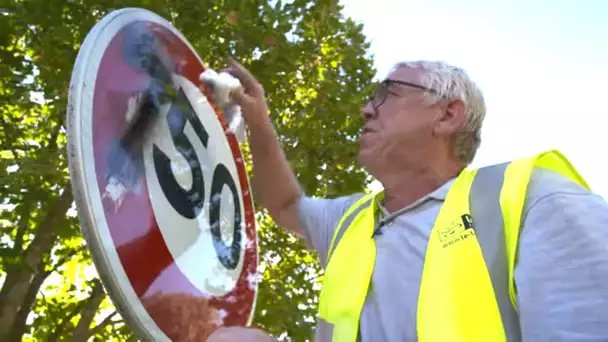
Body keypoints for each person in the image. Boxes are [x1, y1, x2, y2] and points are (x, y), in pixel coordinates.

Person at [207, 58, 608, 341]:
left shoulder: (534, 200)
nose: (366, 109)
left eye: (388, 94)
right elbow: (286, 206)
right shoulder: (352, 221)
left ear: (448, 115)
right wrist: (258, 123)